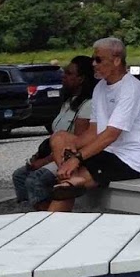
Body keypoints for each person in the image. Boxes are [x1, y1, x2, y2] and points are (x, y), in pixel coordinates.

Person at [49, 36, 140, 208]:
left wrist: (76, 158)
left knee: (63, 190)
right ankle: (71, 178)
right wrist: (72, 148)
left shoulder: (130, 89)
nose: (93, 64)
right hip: (106, 154)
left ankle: (70, 182)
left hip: (130, 160)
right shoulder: (100, 87)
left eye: (98, 60)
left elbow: (111, 135)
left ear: (116, 60)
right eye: (93, 59)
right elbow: (94, 132)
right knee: (59, 138)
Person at [11, 56, 96, 207]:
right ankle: (30, 211)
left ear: (81, 79)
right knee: (19, 176)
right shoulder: (68, 102)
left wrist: (43, 161)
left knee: (36, 179)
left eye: (69, 73)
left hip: (67, 157)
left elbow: (77, 143)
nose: (64, 76)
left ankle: (48, 214)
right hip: (54, 154)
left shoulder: (87, 105)